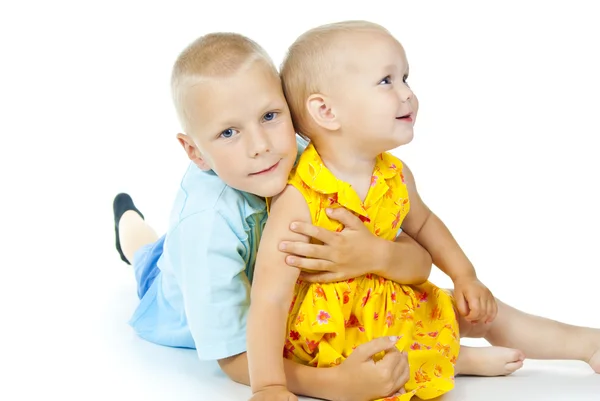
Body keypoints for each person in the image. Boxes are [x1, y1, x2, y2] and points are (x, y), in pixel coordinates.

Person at [245, 20, 600, 401]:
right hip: (335, 331)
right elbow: (270, 298)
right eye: (386, 81)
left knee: (480, 309)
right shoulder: (300, 197)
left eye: (406, 79)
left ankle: (586, 343)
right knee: (380, 367)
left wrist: (466, 276)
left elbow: (426, 224)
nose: (407, 95)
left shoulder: (394, 174)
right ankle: (454, 360)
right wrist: (268, 385)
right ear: (327, 111)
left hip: (395, 302)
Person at [113, 31, 449, 401]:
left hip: (279, 304)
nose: (261, 146)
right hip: (175, 301)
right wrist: (331, 384)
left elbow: (406, 243)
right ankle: (127, 220)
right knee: (146, 254)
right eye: (228, 132)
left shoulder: (310, 155)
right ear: (195, 151)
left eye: (270, 116)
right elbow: (235, 356)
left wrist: (378, 256)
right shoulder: (206, 230)